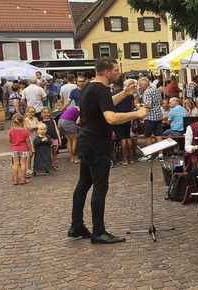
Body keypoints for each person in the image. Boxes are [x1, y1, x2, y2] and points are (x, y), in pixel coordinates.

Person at [68, 57, 148, 244]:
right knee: (100, 187)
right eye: (116, 70)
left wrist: (124, 93)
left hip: (86, 141)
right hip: (97, 144)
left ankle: (76, 225)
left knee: (83, 184)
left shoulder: (89, 86)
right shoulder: (101, 89)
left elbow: (105, 102)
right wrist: (136, 113)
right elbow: (111, 118)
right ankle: (98, 232)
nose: (118, 73)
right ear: (106, 72)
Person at [139, 77, 165, 161]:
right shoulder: (156, 90)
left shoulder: (147, 92)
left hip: (150, 117)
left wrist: (140, 105)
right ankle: (161, 154)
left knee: (148, 136)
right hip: (158, 116)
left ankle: (148, 155)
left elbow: (149, 105)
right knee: (158, 136)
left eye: (140, 85)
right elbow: (161, 102)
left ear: (145, 84)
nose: (139, 87)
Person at [9, 113, 31, 185]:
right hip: (23, 149)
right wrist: (30, 149)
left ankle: (15, 179)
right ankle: (23, 178)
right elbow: (28, 142)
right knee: (23, 164)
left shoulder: (11, 131)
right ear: (23, 122)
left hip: (14, 149)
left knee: (15, 164)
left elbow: (10, 141)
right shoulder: (25, 131)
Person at [40, 107, 61, 171]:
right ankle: (49, 164)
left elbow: (56, 129)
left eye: (48, 113)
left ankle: (54, 164)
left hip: (54, 138)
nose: (46, 114)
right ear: (42, 114)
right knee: (48, 152)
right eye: (44, 113)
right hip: (47, 139)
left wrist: (59, 138)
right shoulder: (41, 122)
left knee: (54, 152)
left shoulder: (53, 121)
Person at [24, 107, 40, 177]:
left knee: (36, 152)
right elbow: (29, 128)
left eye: (33, 112)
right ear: (27, 112)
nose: (32, 113)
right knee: (30, 153)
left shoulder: (35, 119)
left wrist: (34, 127)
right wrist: (35, 126)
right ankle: (28, 169)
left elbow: (39, 126)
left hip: (36, 137)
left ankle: (35, 167)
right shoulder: (26, 120)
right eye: (30, 112)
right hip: (29, 138)